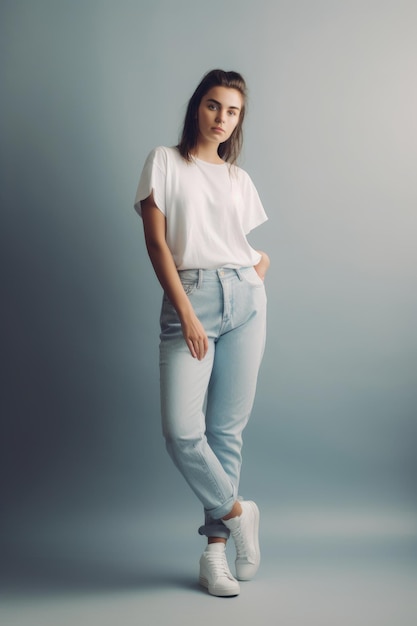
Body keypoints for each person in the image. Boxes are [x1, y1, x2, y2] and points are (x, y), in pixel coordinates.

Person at [134, 69, 269, 597]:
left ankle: (215, 554)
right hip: (187, 300)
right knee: (181, 432)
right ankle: (240, 512)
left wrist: (247, 284)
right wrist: (189, 311)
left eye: (232, 111)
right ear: (197, 107)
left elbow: (248, 251)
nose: (221, 119)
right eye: (214, 106)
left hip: (245, 302)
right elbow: (157, 245)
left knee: (225, 434)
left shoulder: (238, 178)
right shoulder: (164, 161)